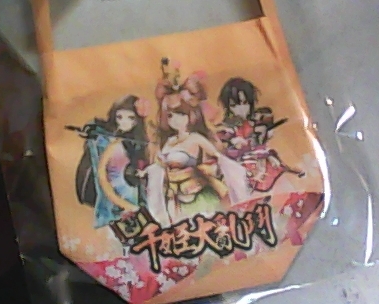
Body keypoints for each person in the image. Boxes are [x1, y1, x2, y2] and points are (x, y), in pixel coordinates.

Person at [139, 61, 249, 226]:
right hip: (175, 198)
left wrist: (215, 167)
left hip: (198, 195)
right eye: (170, 115)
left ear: (191, 115)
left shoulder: (195, 138)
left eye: (180, 114)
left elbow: (217, 157)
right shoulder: (169, 141)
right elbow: (160, 165)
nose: (175, 120)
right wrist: (147, 170)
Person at [72, 95, 149, 228]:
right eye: (120, 117)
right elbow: (102, 176)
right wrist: (124, 204)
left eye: (131, 118)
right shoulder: (109, 143)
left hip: (132, 194)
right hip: (113, 199)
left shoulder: (136, 142)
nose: (124, 122)